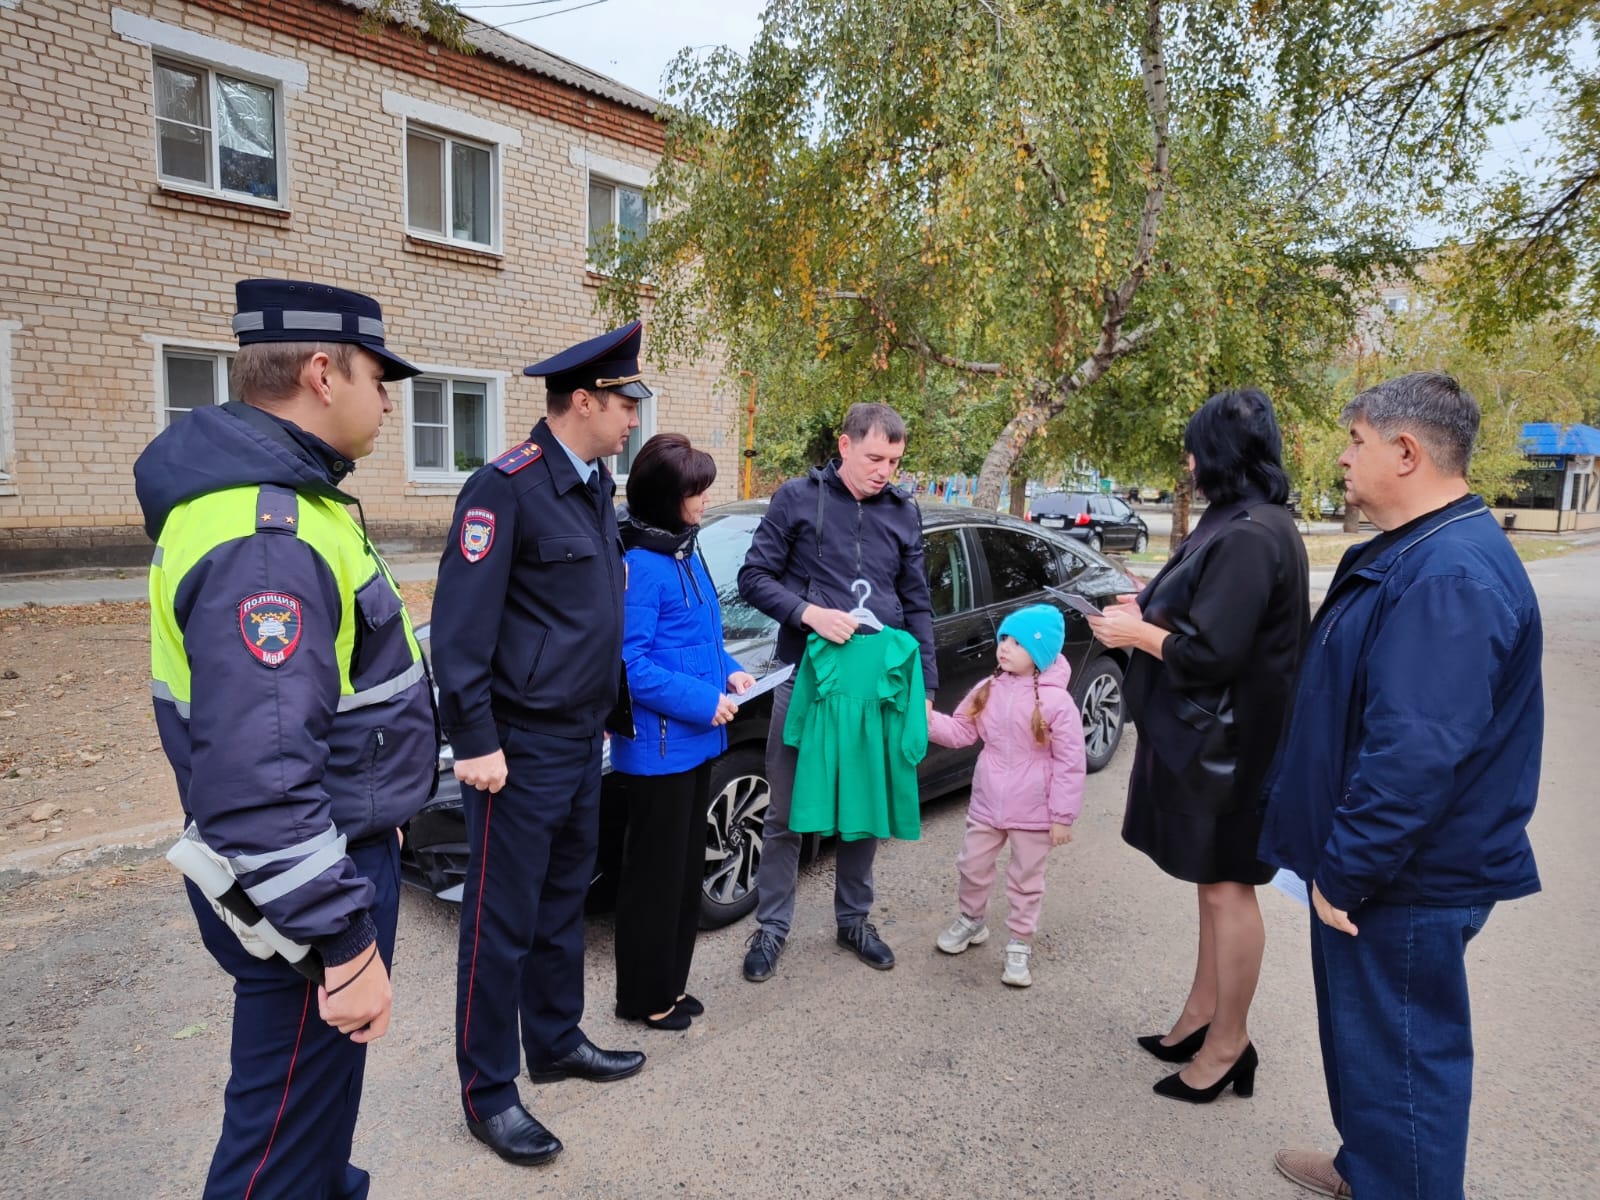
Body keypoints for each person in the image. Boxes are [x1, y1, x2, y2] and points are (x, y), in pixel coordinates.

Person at [133, 279, 438, 1199]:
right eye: (379, 378)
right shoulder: (268, 533)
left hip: (316, 866)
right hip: (313, 880)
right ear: (320, 372)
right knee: (277, 1150)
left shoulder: (281, 504)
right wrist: (342, 947)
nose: (388, 399)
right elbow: (263, 780)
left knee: (310, 1125)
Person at [1260, 372, 1542, 1200]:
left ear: (1407, 451)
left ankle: (1396, 1178)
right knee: (1369, 1050)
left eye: (1356, 441)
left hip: (1401, 880)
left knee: (1405, 1068)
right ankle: (1367, 1167)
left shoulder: (1449, 573)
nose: (1343, 458)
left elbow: (1416, 751)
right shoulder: (1420, 549)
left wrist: (1348, 868)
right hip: (1381, 870)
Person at [431, 322, 649, 1167]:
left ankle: (555, 1041)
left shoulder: (593, 486)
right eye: (625, 401)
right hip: (515, 750)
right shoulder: (505, 489)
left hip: (578, 739)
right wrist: (474, 741)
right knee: (499, 923)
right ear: (584, 401)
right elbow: (459, 633)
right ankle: (488, 1094)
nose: (633, 416)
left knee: (562, 904)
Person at [1086, 387, 1309, 1104]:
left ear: (1218, 452)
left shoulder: (1251, 533)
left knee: (1228, 889)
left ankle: (1229, 1044)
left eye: (1192, 446)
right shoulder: (1236, 520)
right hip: (1213, 737)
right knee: (1213, 889)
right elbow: (1208, 608)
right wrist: (1150, 605)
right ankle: (1200, 1017)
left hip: (1232, 745)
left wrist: (1134, 633)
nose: (1184, 459)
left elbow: (1213, 652)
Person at [736, 401, 937, 982]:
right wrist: (808, 614)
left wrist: (925, 685)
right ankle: (771, 928)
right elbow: (753, 577)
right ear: (845, 446)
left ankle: (854, 921)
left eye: (895, 461)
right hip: (807, 679)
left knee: (864, 809)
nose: (886, 471)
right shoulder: (796, 498)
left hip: (879, 687)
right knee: (786, 812)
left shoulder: (903, 511)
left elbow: (918, 602)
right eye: (876, 457)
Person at [610, 433, 755, 1030]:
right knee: (653, 882)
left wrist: (733, 672)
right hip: (658, 749)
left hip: (696, 741)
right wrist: (704, 700)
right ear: (668, 497)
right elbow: (631, 665)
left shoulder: (684, 551)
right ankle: (643, 997)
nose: (704, 501)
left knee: (682, 873)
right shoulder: (641, 565)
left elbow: (704, 640)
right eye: (696, 492)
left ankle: (670, 984)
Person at [927, 605, 1086, 988]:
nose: (1005, 648)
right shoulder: (988, 688)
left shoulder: (1057, 703)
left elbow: (1070, 762)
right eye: (1004, 640)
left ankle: (1019, 942)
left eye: (1017, 643)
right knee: (972, 864)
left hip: (1035, 810)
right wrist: (925, 717)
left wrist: (1062, 816)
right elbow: (962, 732)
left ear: (1041, 653)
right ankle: (971, 920)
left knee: (1027, 879)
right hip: (987, 802)